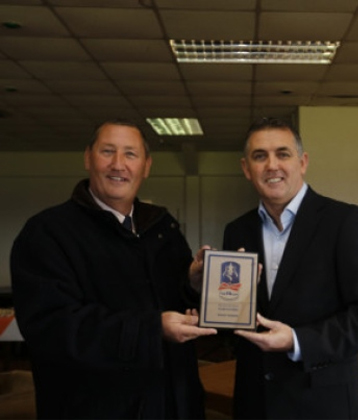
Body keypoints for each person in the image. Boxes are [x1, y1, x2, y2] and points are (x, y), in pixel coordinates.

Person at [10, 119, 216, 419]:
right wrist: (152, 328)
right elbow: (53, 327)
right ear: (88, 158)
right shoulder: (47, 233)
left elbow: (174, 299)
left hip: (173, 403)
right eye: (107, 151)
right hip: (94, 408)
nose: (118, 164)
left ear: (146, 166)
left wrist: (191, 283)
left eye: (130, 154)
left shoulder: (162, 227)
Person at [222, 117, 358, 419]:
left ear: (302, 163)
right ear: (246, 169)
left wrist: (298, 341)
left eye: (282, 154)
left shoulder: (344, 221)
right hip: (255, 404)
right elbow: (233, 319)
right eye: (260, 156)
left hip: (324, 406)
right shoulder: (237, 231)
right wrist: (204, 290)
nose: (272, 165)